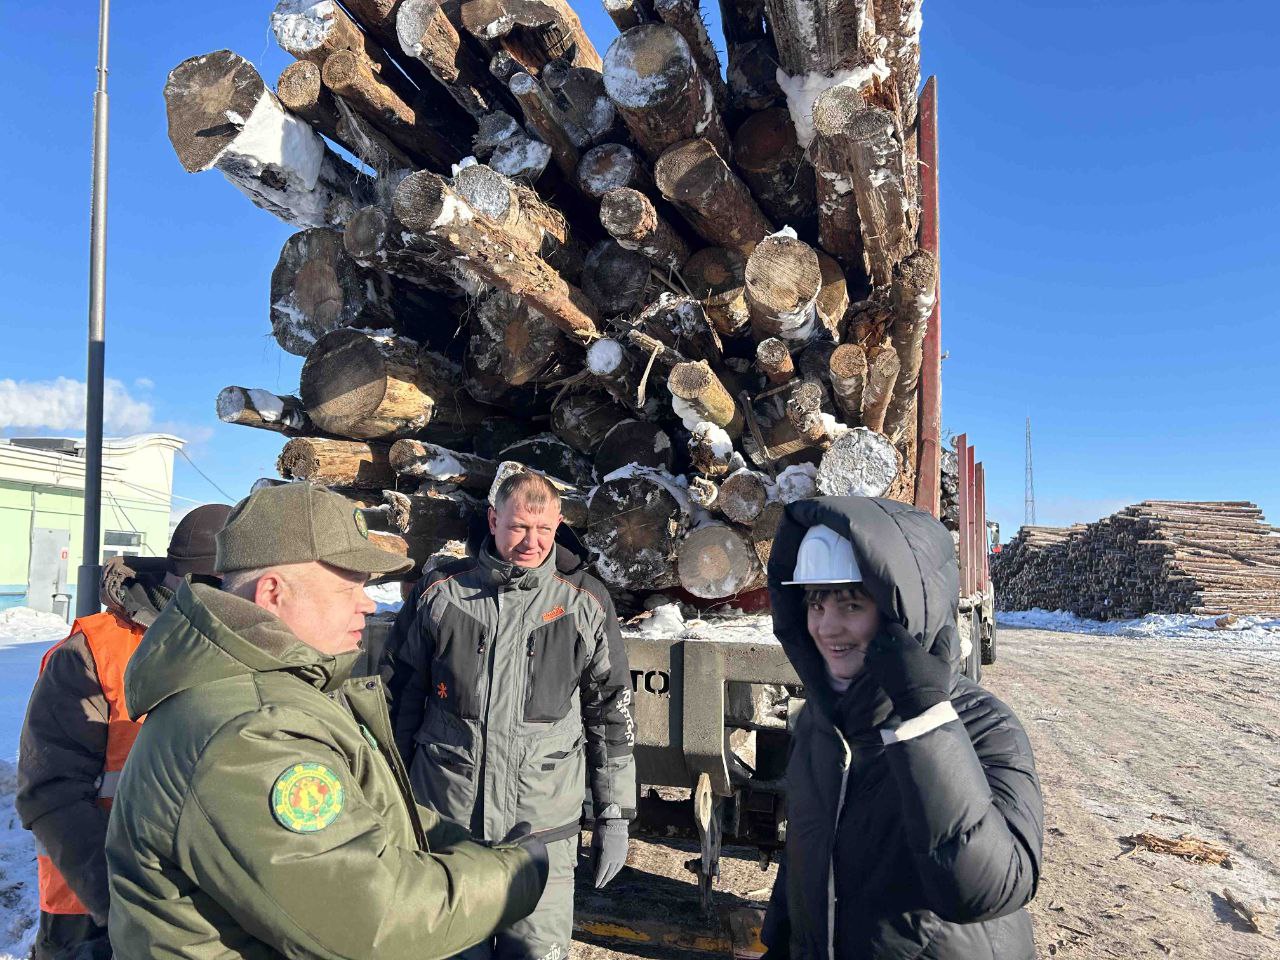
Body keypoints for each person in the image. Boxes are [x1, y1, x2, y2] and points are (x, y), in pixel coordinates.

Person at [104, 482, 547, 959]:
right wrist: (515, 875)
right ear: (273, 593)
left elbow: (375, 815)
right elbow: (372, 918)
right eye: (347, 587)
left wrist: (466, 846)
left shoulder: (279, 691)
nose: (369, 604)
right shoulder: (250, 734)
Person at [760, 496, 1043, 959]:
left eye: (851, 604)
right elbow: (807, 853)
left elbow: (988, 890)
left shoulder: (985, 726)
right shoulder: (822, 722)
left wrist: (924, 719)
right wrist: (782, 942)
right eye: (814, 603)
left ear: (905, 613)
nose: (826, 627)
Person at [385, 471, 636, 960]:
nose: (532, 542)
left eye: (544, 530)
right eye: (519, 527)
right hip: (447, 826)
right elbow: (397, 702)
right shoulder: (442, 593)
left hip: (541, 832)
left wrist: (615, 816)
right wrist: (387, 803)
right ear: (493, 519)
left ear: (559, 524)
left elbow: (611, 716)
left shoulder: (583, 601)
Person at [17, 503, 231, 960]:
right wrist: (125, 903)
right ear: (197, 581)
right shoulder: (93, 651)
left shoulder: (235, 643)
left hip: (198, 904)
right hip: (91, 900)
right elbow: (50, 792)